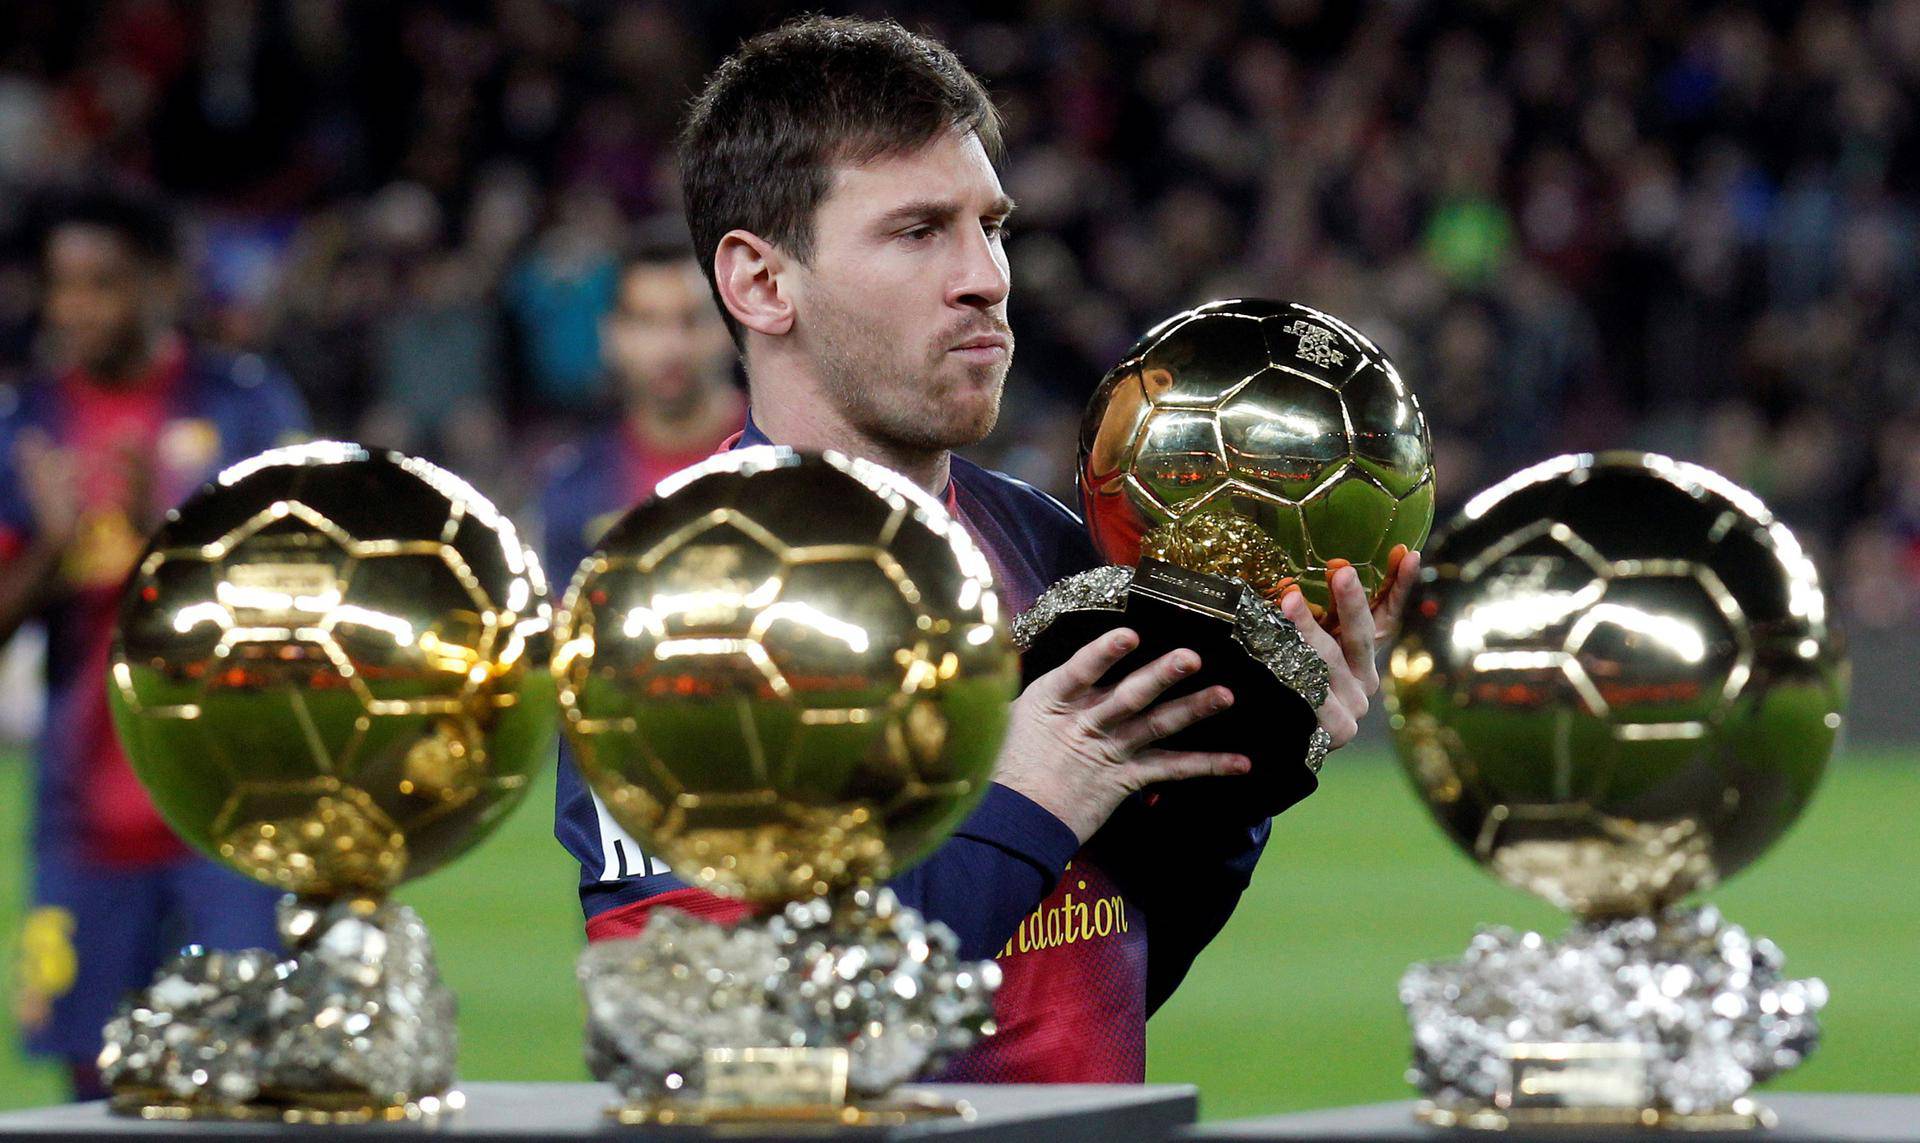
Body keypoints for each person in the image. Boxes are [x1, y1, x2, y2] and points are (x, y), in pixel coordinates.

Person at [554, 16, 1417, 1083]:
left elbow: (1092, 980)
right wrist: (1032, 794)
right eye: (920, 232)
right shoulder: (667, 606)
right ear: (762, 283)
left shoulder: (1046, 543)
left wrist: (1239, 783)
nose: (987, 278)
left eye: (991, 225)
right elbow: (730, 1045)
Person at [0, 188, 310, 1099]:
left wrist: (164, 536)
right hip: (84, 820)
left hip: (231, 812)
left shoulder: (244, 406)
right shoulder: (27, 424)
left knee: (249, 1078)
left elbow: (293, 600)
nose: (77, 308)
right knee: (90, 1089)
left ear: (161, 283)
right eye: (62, 286)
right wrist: (56, 547)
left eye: (103, 283)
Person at [541, 223, 747, 590]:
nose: (671, 347)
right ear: (612, 334)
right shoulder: (571, 492)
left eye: (692, 319)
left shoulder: (785, 459)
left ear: (731, 326)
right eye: (647, 321)